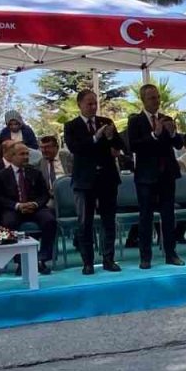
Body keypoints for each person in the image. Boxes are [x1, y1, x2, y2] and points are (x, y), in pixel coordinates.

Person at [63, 89, 126, 275]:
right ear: (79, 105)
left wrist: (110, 138)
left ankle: (108, 259)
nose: (93, 107)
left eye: (95, 103)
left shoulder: (106, 122)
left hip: (106, 178)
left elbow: (120, 145)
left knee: (108, 221)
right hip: (84, 180)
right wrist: (96, 137)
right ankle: (88, 262)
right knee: (85, 223)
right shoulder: (71, 126)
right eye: (89, 104)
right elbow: (76, 148)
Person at [127, 84, 186, 268]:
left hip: (166, 175)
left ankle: (171, 253)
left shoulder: (165, 118)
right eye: (152, 98)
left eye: (158, 97)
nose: (156, 101)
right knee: (146, 217)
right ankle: (145, 257)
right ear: (143, 100)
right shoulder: (135, 121)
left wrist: (173, 132)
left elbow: (178, 144)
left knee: (169, 216)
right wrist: (154, 134)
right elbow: (134, 146)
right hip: (146, 177)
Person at [0, 141, 58, 275]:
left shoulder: (35, 172)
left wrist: (34, 204)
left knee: (50, 220)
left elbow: (44, 194)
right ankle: (20, 261)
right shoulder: (0, 175)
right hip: (13, 209)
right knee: (8, 223)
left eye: (27, 154)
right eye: (22, 154)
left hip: (35, 208)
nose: (26, 157)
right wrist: (17, 206)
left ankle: (42, 258)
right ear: (12, 156)